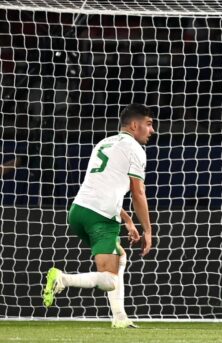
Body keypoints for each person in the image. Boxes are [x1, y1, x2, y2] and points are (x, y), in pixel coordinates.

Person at [43, 103, 154, 328]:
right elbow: (138, 191)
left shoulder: (104, 143)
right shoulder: (135, 149)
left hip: (78, 212)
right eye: (149, 124)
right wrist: (148, 230)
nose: (152, 130)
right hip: (101, 217)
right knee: (110, 280)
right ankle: (63, 279)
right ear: (135, 125)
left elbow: (101, 185)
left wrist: (129, 220)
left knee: (120, 256)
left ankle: (120, 317)